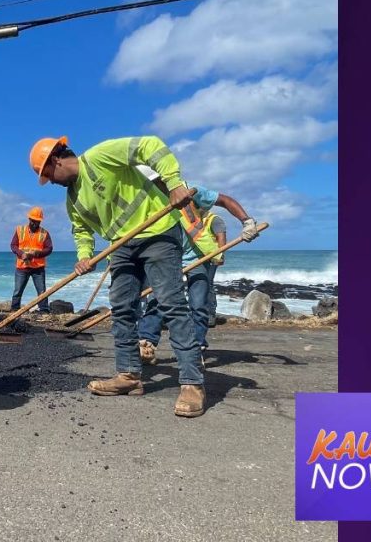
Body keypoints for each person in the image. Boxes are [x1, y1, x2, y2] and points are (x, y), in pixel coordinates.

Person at [30, 134, 207, 417]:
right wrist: (84, 256)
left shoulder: (100, 156)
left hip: (157, 232)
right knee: (123, 309)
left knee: (171, 303)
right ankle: (128, 376)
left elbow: (150, 146)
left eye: (47, 173)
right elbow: (81, 230)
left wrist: (173, 184)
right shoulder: (72, 199)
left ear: (57, 159)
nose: (50, 181)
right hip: (121, 246)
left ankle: (192, 382)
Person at [137, 187, 259, 363]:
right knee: (158, 300)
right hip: (165, 258)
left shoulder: (189, 190)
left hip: (197, 258)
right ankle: (146, 344)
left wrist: (247, 221)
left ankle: (196, 349)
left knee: (199, 304)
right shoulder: (145, 195)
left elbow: (225, 200)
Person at [9, 207, 53, 312]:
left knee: (41, 291)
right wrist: (21, 254)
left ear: (40, 221)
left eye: (37, 221)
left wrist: (37, 253)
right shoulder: (20, 230)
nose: (34, 223)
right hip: (22, 266)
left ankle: (43, 310)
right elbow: (13, 245)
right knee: (18, 290)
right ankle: (14, 309)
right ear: (29, 219)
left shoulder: (44, 233)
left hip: (38, 267)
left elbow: (49, 249)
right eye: (33, 221)